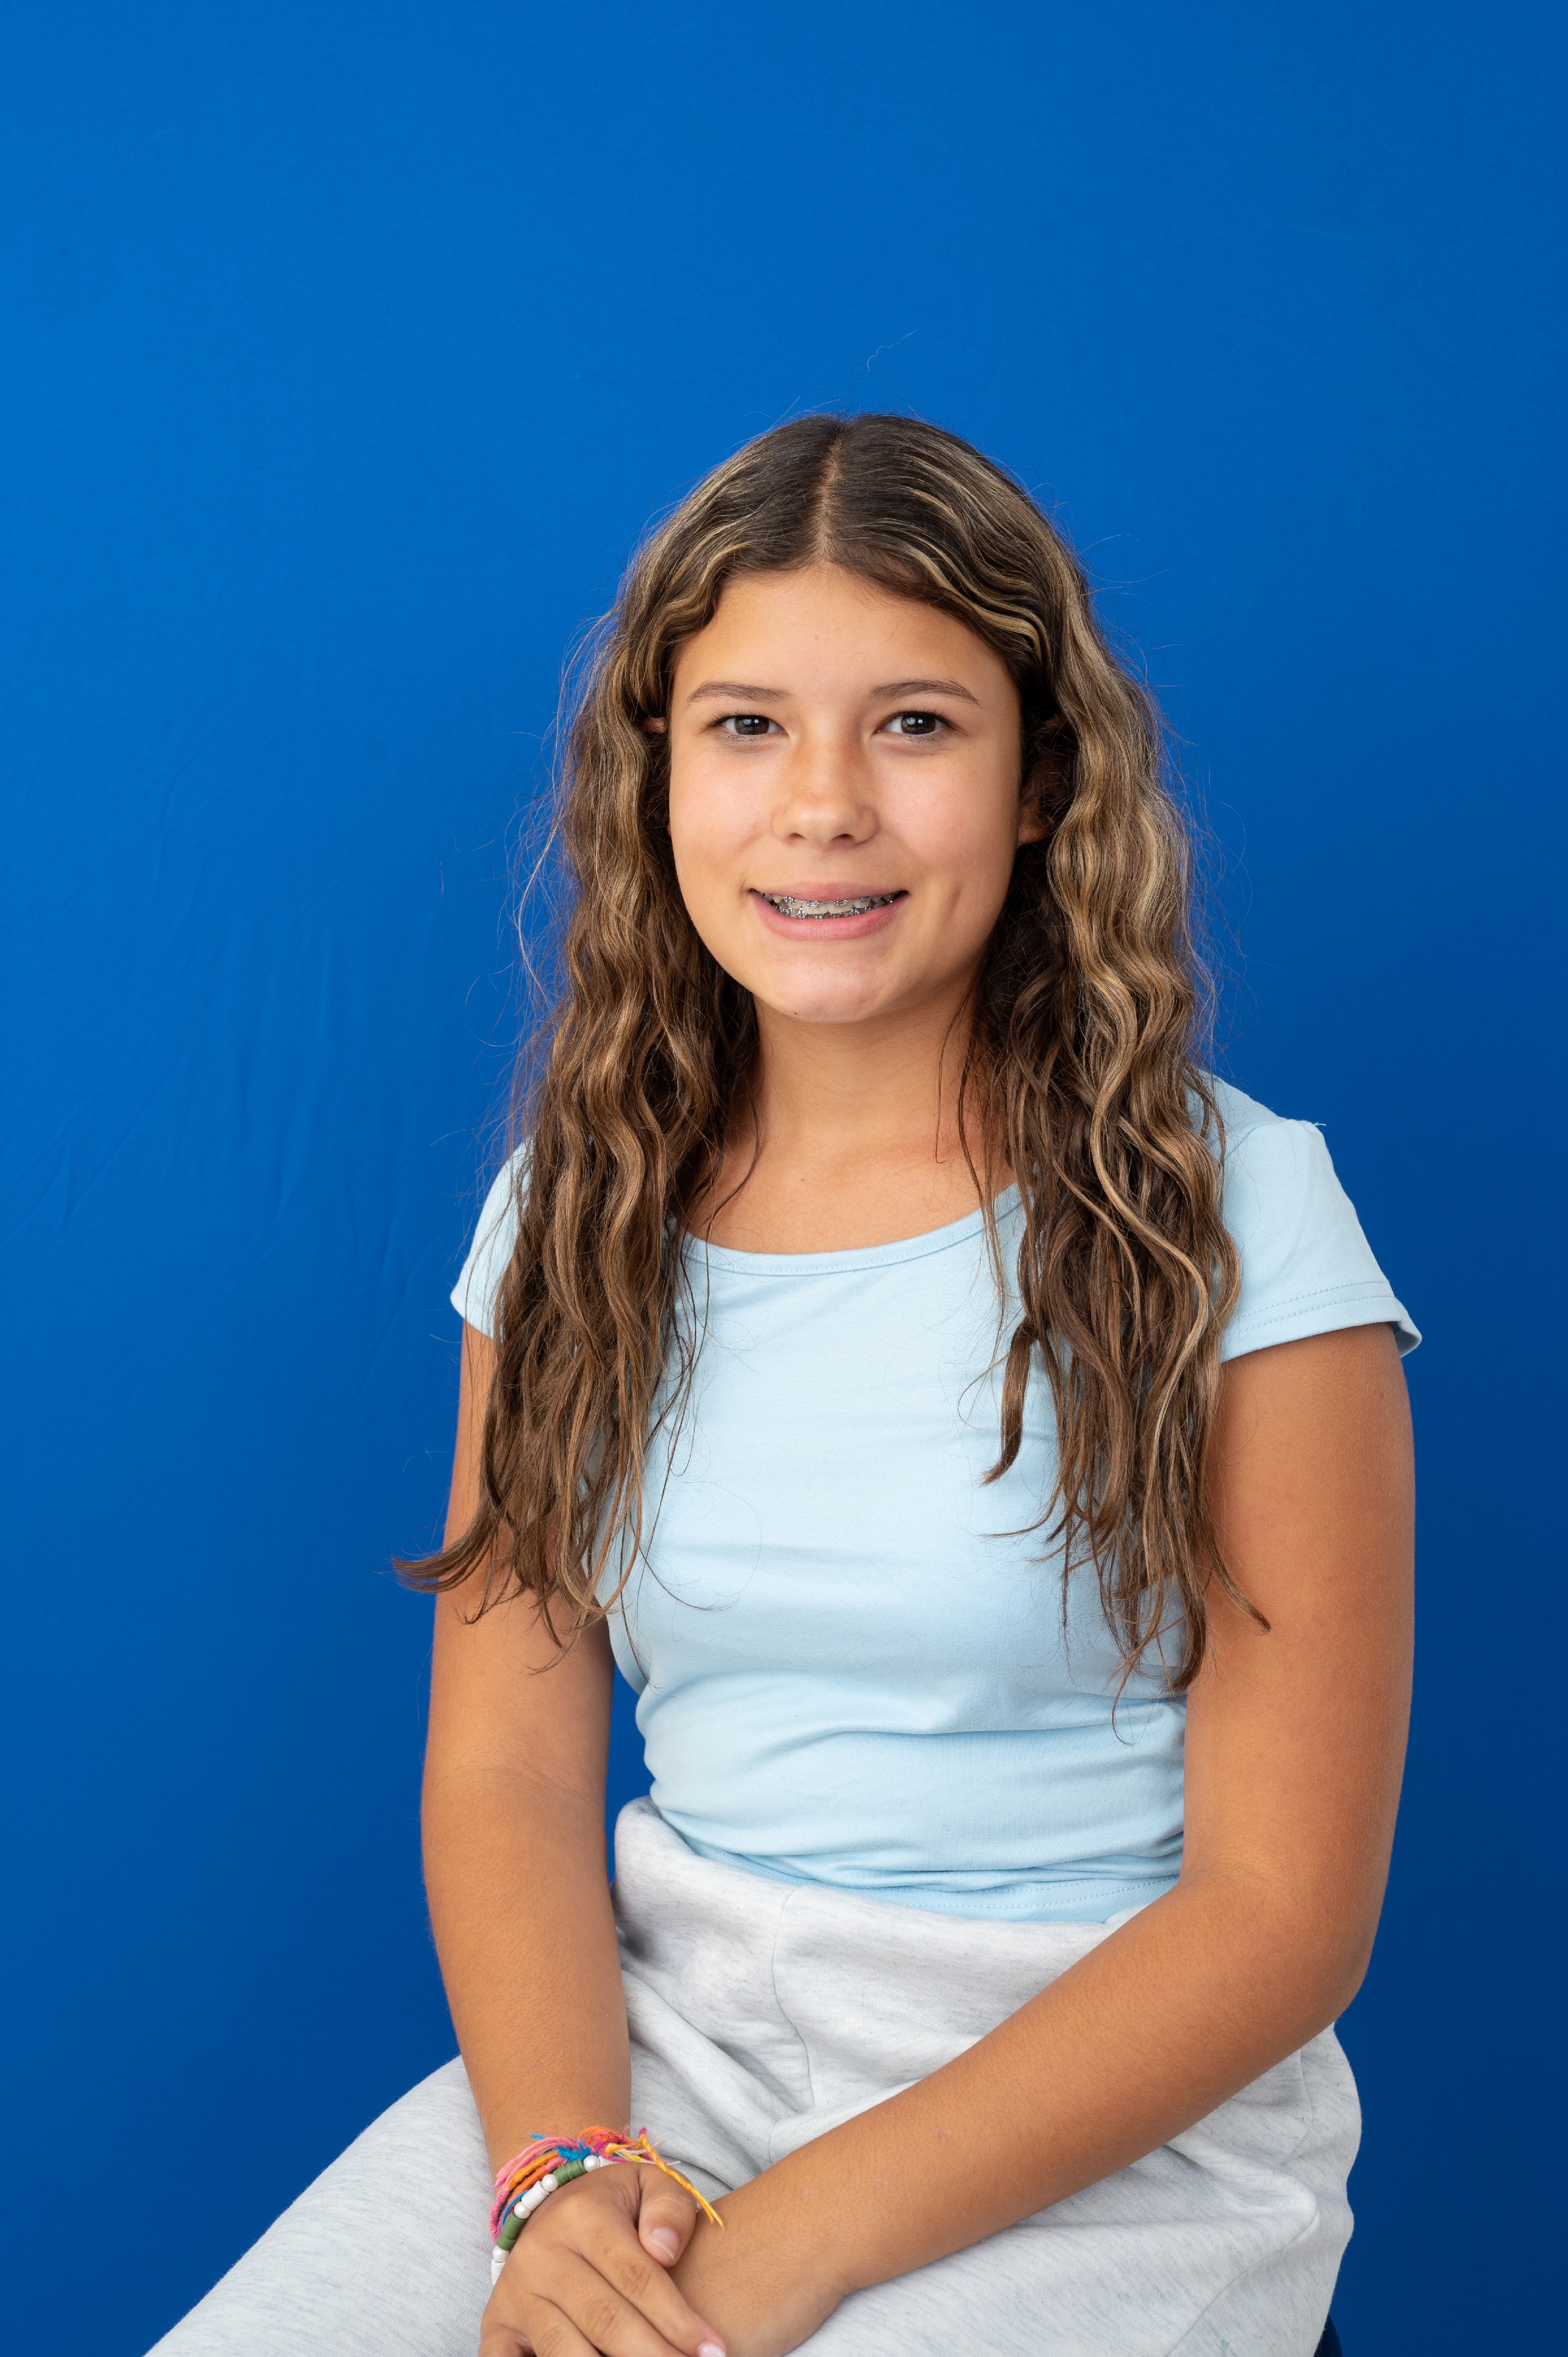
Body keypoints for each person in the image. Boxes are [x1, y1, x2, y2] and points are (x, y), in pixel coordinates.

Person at [152, 413, 1416, 2357]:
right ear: (657, 775)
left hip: (1113, 2123)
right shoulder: (572, 1212)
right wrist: (566, 2174)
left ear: (1040, 780)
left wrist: (787, 2244)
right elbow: (505, 1768)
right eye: (746, 726)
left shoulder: (1239, 1214)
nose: (823, 804)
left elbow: (1280, 1911)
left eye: (914, 725)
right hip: (680, 2057)